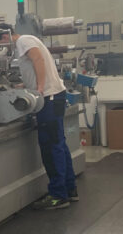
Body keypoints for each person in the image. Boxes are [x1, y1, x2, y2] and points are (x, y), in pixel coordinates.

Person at [13, 32, 77, 210]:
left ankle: (58, 195)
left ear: (4, 37)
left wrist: (39, 88)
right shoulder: (29, 39)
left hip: (48, 99)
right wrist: (27, 85)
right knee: (59, 144)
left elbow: (38, 59)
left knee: (50, 147)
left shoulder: (22, 40)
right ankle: (69, 189)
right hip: (54, 96)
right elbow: (37, 65)